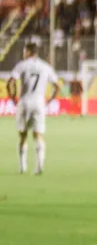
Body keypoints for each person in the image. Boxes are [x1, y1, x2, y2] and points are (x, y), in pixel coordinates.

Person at [8, 42, 60, 175]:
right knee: (38, 134)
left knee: (22, 135)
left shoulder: (22, 65)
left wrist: (13, 97)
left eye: (25, 51)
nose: (23, 53)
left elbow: (11, 82)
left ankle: (22, 167)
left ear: (29, 52)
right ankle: (39, 166)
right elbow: (57, 86)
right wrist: (50, 101)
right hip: (39, 102)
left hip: (25, 101)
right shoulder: (45, 66)